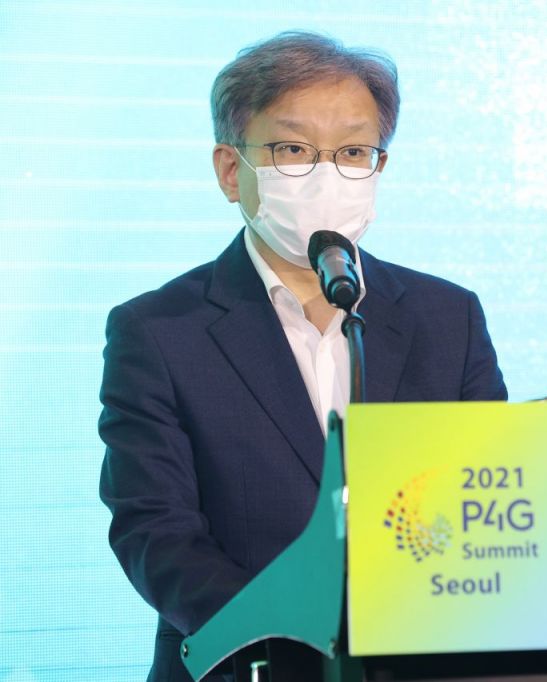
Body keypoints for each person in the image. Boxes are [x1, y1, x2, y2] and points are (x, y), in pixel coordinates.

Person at [98, 31, 507, 681]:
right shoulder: (159, 331)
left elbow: (489, 507)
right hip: (243, 667)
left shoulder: (447, 318)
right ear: (230, 171)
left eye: (352, 152)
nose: (326, 175)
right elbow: (155, 532)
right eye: (293, 150)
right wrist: (280, 639)